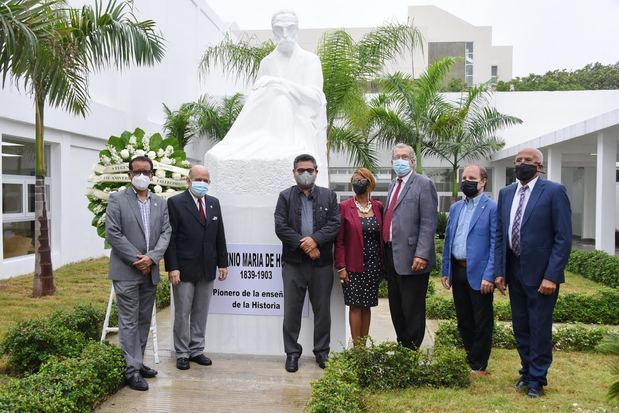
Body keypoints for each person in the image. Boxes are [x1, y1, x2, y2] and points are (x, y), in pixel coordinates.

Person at [494, 147, 572, 398]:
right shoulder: (506, 193)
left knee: (539, 325)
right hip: (514, 269)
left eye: (527, 160)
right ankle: (526, 370)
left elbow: (563, 238)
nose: (521, 164)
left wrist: (552, 275)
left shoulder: (554, 192)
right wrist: (500, 271)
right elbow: (499, 235)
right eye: (518, 161)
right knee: (521, 324)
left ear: (539, 166)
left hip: (541, 275)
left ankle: (538, 378)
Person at [105, 155, 171, 391]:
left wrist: (152, 258)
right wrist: (137, 259)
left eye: (146, 172)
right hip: (127, 271)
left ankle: (138, 361)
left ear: (152, 175)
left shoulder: (160, 203)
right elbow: (113, 233)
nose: (141, 176)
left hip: (149, 271)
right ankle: (131, 370)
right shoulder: (116, 200)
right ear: (130, 175)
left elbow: (166, 233)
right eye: (137, 172)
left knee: (144, 320)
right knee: (129, 321)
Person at [274, 154, 340, 372]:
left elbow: (334, 225)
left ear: (316, 172)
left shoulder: (329, 196)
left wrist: (315, 240)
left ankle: (322, 352)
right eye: (300, 170)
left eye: (309, 170)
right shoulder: (285, 197)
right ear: (294, 172)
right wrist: (305, 245)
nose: (305, 174)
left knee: (322, 311)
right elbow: (281, 227)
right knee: (291, 311)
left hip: (321, 265)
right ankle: (292, 353)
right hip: (294, 264)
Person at [164, 165, 229, 370]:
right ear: (188, 180)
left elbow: (219, 235)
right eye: (198, 179)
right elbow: (170, 239)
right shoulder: (175, 203)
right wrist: (172, 267)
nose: (202, 183)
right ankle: (182, 353)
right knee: (183, 313)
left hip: (207, 267)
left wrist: (223, 263)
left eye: (206, 180)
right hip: (183, 269)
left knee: (201, 311)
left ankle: (196, 350)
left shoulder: (213, 203)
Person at [441, 164, 497, 376]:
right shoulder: (456, 208)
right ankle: (470, 357)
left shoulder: (491, 207)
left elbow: (495, 244)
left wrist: (490, 275)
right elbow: (448, 240)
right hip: (458, 269)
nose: (466, 181)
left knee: (482, 320)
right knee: (464, 318)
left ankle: (479, 364)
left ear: (482, 182)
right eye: (464, 177)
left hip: (481, 274)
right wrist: (446, 269)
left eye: (471, 177)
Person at [383, 143, 438, 349]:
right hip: (392, 255)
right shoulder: (392, 185)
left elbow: (428, 222)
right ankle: (402, 343)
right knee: (396, 305)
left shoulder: (424, 184)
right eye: (396, 157)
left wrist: (422, 254)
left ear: (413, 161)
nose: (400, 160)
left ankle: (412, 347)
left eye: (404, 157)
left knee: (412, 305)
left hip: (414, 256)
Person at [334, 168, 384, 346]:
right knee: (355, 305)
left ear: (369, 182)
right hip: (352, 265)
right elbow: (339, 240)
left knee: (367, 305)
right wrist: (341, 267)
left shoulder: (378, 207)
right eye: (354, 179)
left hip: (373, 265)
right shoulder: (344, 207)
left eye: (361, 179)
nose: (357, 182)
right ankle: (357, 349)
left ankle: (363, 345)